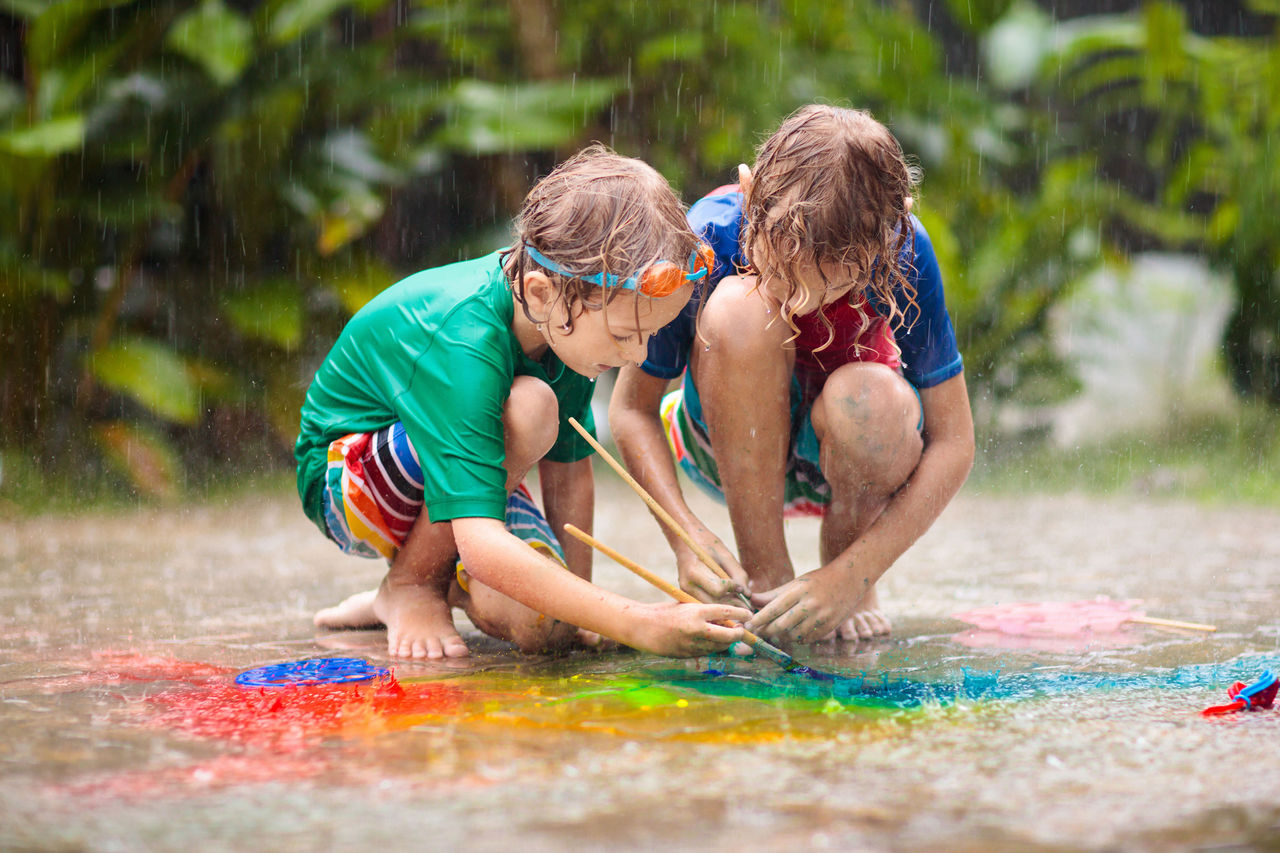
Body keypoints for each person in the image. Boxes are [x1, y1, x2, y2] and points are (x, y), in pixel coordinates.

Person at [297, 145, 750, 660]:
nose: (638, 355)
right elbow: (482, 541)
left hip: (468, 472)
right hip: (349, 476)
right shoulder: (464, 338)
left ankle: (427, 587)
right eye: (626, 334)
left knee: (543, 625)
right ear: (539, 295)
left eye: (649, 334)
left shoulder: (569, 326)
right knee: (532, 406)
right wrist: (639, 623)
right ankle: (411, 586)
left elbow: (570, 472)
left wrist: (585, 611)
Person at [610, 105, 975, 645]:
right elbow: (630, 410)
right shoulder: (709, 235)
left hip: (854, 454)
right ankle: (767, 579)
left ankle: (841, 568)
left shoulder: (907, 250)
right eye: (779, 272)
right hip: (724, 444)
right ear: (749, 189)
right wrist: (685, 538)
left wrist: (854, 574)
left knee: (867, 396)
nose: (800, 305)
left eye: (828, 286)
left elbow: (954, 441)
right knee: (742, 309)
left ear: (887, 237)